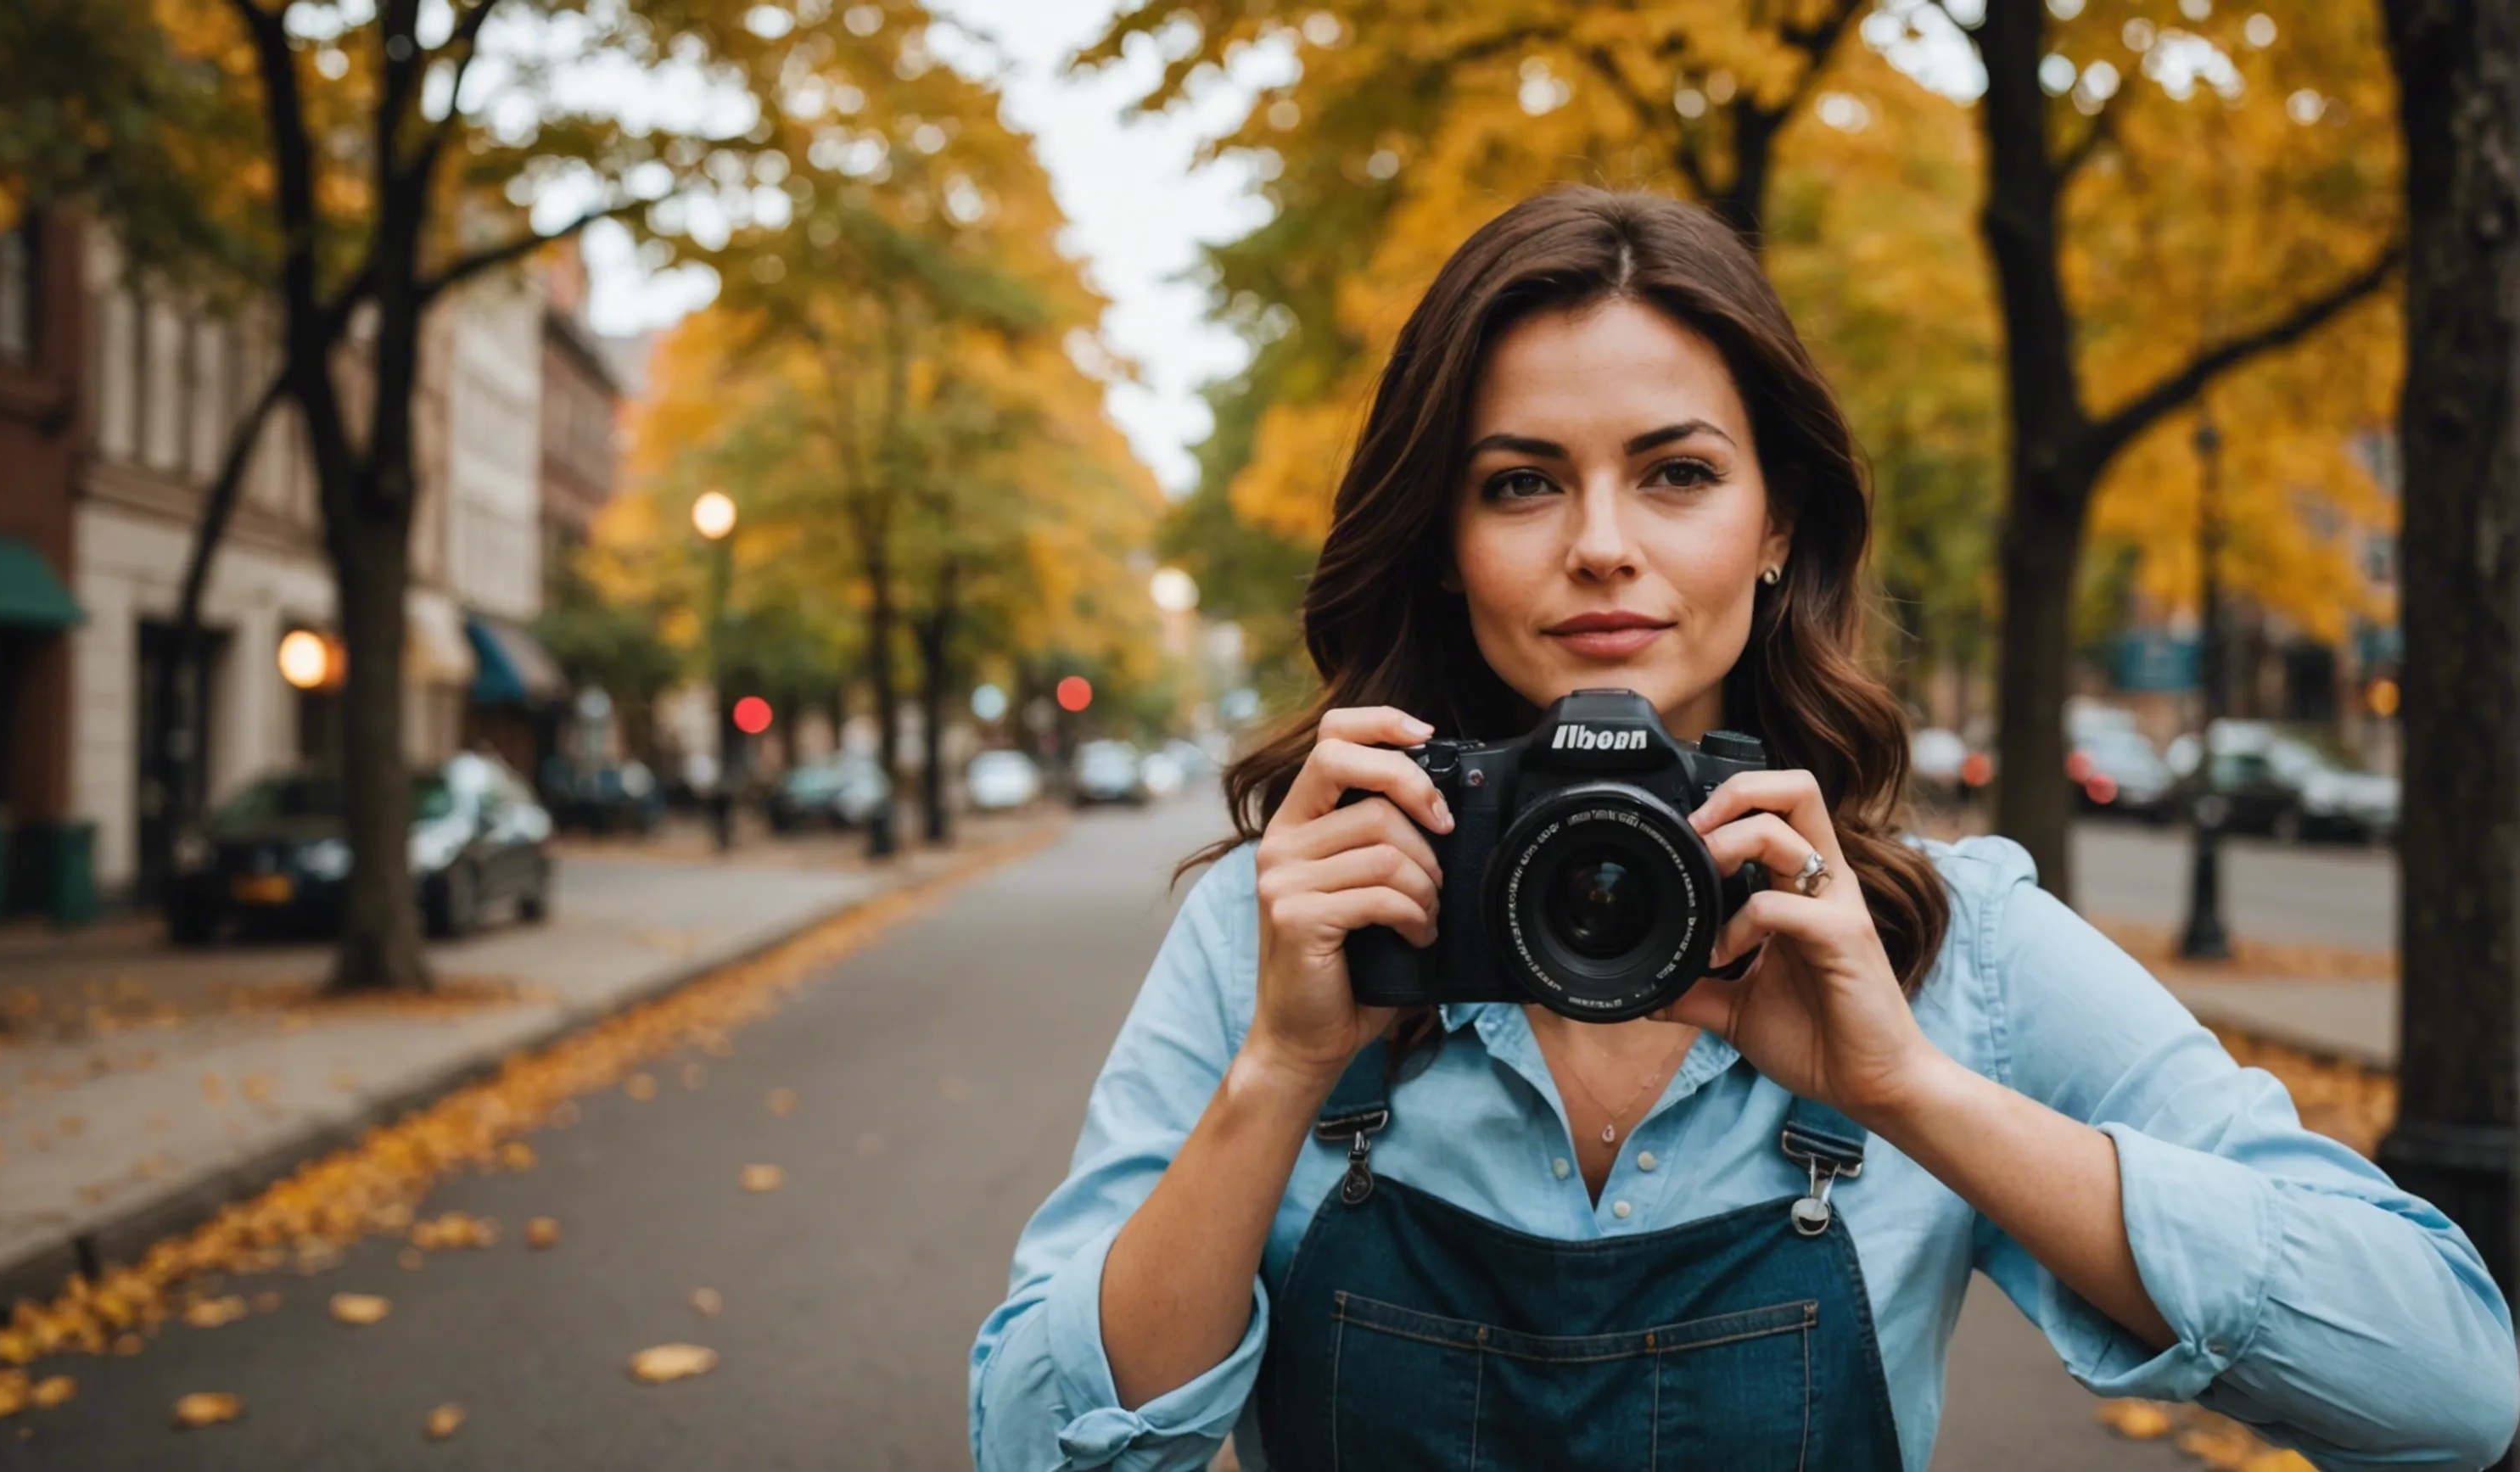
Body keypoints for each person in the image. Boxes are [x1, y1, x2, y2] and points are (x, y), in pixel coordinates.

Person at [967, 188, 2517, 1471]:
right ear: (1442, 542)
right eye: (1519, 484)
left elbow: (2454, 1386)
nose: (1601, 546)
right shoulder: (1297, 916)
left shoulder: (1930, 944)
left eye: (1678, 473)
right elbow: (1038, 1450)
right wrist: (1284, 1071)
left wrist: (1904, 1086)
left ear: (1777, 523)